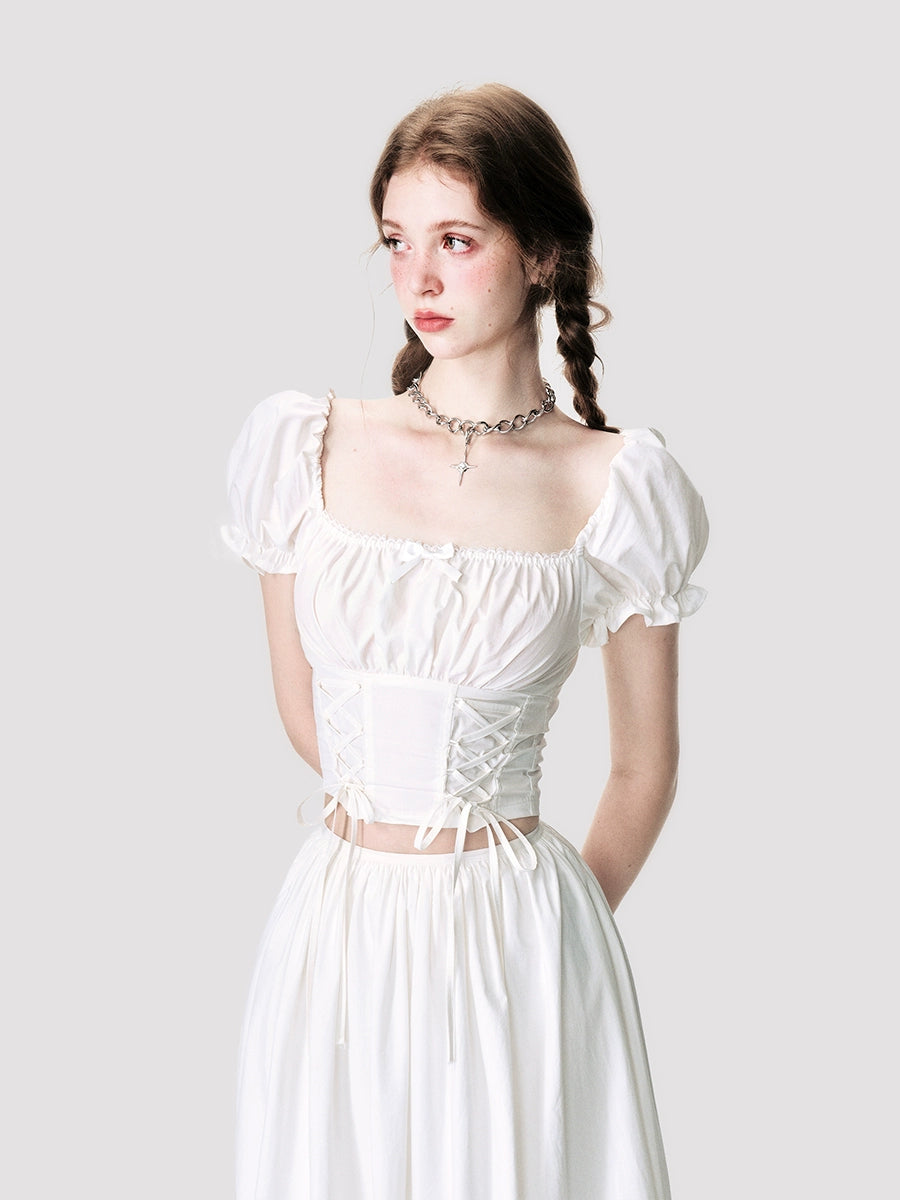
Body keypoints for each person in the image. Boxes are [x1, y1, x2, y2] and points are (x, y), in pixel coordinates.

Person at [223, 82, 708, 1200]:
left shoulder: (617, 483)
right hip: (335, 934)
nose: (419, 279)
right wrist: (394, 876)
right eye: (398, 241)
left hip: (514, 942)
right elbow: (306, 713)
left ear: (542, 254)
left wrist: (548, 940)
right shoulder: (304, 445)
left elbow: (644, 768)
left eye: (457, 239)